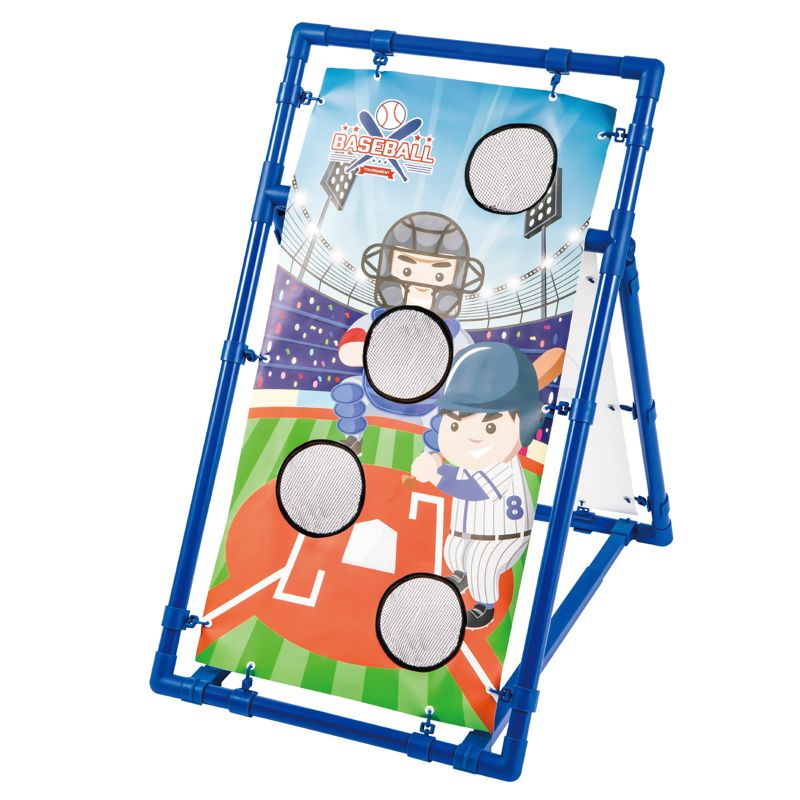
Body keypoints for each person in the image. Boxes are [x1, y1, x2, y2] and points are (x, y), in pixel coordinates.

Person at [410, 342, 543, 629]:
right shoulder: (472, 460)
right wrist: (436, 465)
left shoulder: (503, 464)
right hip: (470, 530)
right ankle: (461, 576)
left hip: (504, 536)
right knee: (454, 549)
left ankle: (484, 607)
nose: (471, 437)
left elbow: (473, 490)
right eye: (455, 425)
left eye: (490, 426)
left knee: (483, 563)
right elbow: (460, 477)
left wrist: (435, 476)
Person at [332, 212, 484, 455]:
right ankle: (353, 439)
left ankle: (432, 456)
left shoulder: (452, 331)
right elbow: (349, 351)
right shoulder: (378, 318)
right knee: (348, 392)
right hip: (373, 394)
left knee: (449, 417)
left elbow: (469, 369)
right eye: (407, 269)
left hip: (428, 404)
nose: (422, 283)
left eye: (438, 274)